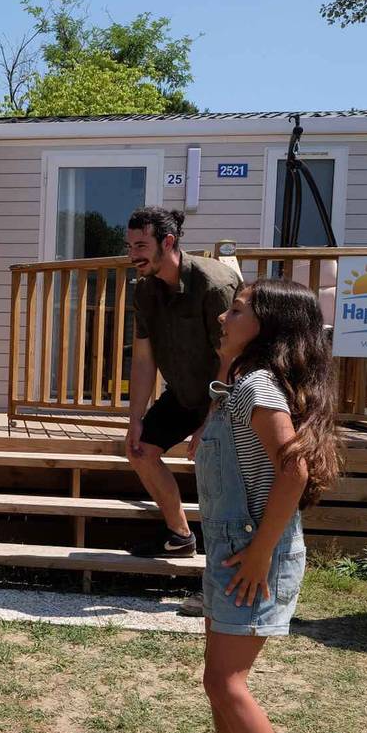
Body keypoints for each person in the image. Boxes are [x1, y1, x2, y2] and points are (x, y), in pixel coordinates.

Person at [165, 280, 340, 733]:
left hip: (252, 553)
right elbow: (235, 434)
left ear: (266, 328)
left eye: (236, 311)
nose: (222, 314)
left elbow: (294, 470)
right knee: (219, 676)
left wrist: (262, 552)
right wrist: (207, 424)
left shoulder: (259, 385)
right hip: (234, 549)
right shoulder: (240, 383)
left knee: (227, 680)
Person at [124, 207, 240, 616]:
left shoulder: (214, 285)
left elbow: (234, 356)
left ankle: (223, 585)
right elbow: (143, 358)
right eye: (130, 245)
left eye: (141, 245)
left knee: (218, 478)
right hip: (183, 393)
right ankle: (179, 535)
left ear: (168, 242)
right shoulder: (144, 290)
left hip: (232, 395)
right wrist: (135, 418)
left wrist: (211, 420)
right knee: (140, 451)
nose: (133, 254)